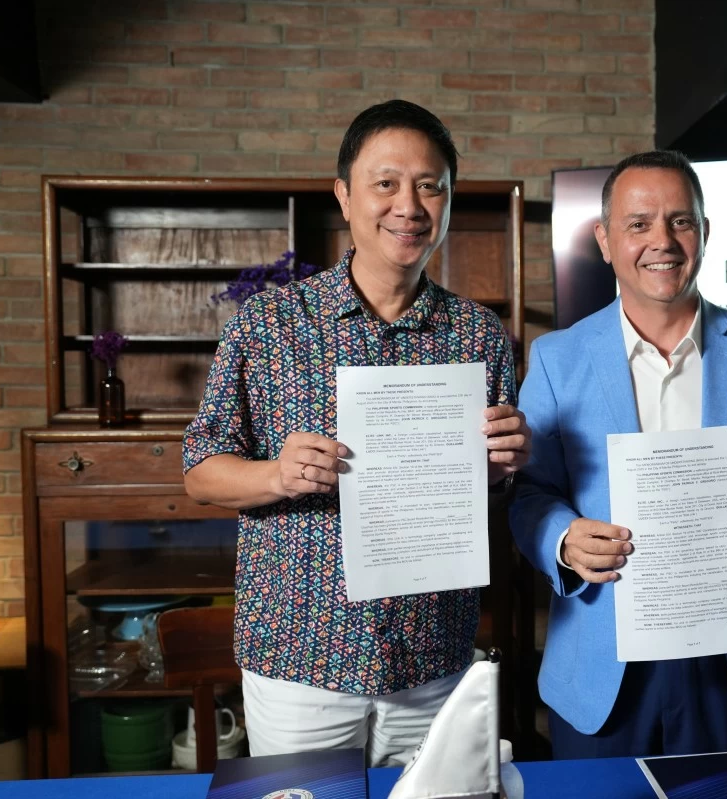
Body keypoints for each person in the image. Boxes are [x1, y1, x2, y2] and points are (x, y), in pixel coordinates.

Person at [183, 100, 531, 767]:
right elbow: (200, 469)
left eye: (431, 186)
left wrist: (497, 468)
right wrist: (274, 475)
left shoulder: (478, 336)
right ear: (344, 195)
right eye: (386, 183)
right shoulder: (269, 323)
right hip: (298, 662)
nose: (410, 204)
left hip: (431, 660)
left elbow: (488, 496)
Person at [509, 150, 727, 758]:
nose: (662, 240)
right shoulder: (558, 358)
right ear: (605, 241)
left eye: (681, 221)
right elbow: (528, 492)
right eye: (638, 224)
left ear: (705, 233)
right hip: (602, 671)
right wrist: (562, 537)